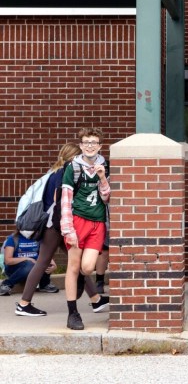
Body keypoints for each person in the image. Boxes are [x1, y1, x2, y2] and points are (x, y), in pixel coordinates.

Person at [14, 143, 106, 318]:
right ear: (74, 157)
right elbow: (60, 203)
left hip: (57, 225)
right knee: (43, 262)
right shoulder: (64, 173)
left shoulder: (54, 172)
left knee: (75, 263)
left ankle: (96, 299)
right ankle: (23, 304)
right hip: (55, 226)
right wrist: (67, 226)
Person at [60, 128, 113, 330]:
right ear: (81, 145)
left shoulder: (104, 166)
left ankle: (82, 280)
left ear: (100, 146)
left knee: (88, 267)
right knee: (73, 267)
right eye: (86, 142)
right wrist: (68, 229)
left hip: (97, 223)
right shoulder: (72, 167)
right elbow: (66, 199)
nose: (90, 145)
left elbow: (107, 198)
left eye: (94, 142)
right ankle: (73, 313)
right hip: (77, 221)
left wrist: (102, 178)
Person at [1, 229, 57, 296]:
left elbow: (45, 254)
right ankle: (7, 284)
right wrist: (27, 259)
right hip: (16, 269)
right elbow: (8, 261)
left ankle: (44, 284)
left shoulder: (38, 238)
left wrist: (53, 265)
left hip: (34, 267)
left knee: (47, 263)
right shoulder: (12, 239)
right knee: (29, 264)